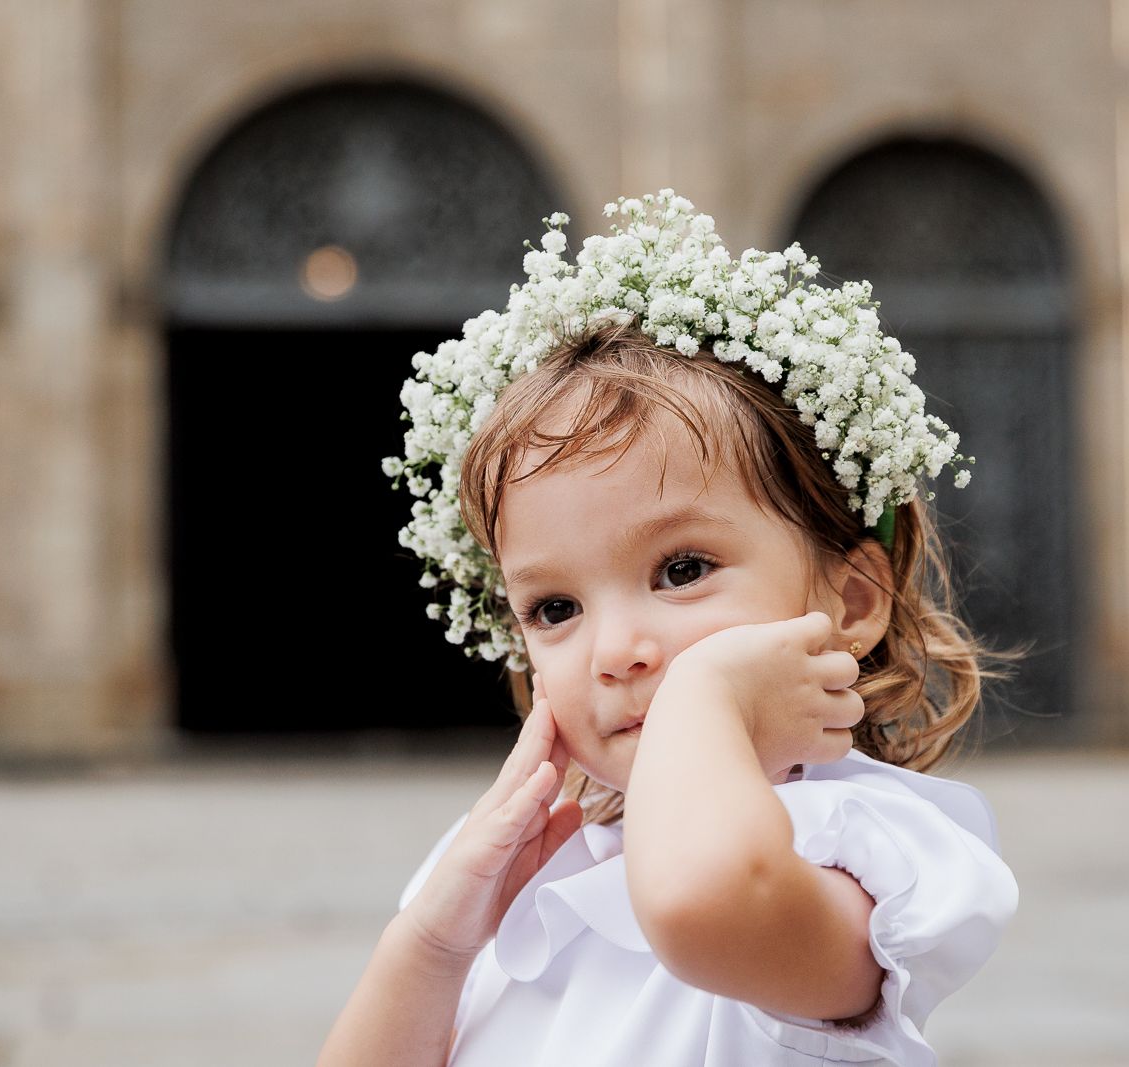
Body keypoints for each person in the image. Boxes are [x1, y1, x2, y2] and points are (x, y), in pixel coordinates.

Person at [320, 191, 1021, 1066]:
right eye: (555, 609)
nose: (617, 651)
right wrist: (432, 944)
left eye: (682, 571)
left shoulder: (857, 840)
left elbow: (701, 901)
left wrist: (707, 695)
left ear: (850, 604)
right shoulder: (520, 879)